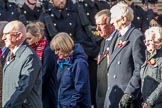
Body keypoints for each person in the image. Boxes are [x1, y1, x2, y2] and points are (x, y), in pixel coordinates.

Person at [104, 1, 146, 108]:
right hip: (112, 93)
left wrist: (129, 93)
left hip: (124, 96)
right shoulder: (115, 36)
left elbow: (139, 68)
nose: (111, 22)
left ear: (123, 19)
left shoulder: (136, 37)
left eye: (113, 18)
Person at [2, 20, 42, 108]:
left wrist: (8, 106)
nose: (3, 38)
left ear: (19, 36)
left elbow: (24, 88)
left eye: (6, 34)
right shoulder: (8, 54)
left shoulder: (29, 57)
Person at [50, 32, 91, 108]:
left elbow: (80, 90)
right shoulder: (63, 62)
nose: (56, 53)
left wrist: (71, 106)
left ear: (65, 46)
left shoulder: (79, 63)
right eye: (54, 50)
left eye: (58, 49)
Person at [26, 21, 58, 108]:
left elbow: (45, 74)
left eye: (29, 38)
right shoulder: (30, 50)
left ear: (38, 36)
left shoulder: (48, 51)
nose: (27, 42)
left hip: (45, 92)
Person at [94, 9, 115, 108]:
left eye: (100, 24)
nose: (97, 28)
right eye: (96, 25)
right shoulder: (103, 42)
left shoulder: (116, 42)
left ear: (111, 24)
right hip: (101, 95)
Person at [140, 27, 162, 108]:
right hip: (145, 102)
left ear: (159, 42)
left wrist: (150, 101)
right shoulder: (146, 56)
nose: (146, 44)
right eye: (146, 41)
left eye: (150, 41)